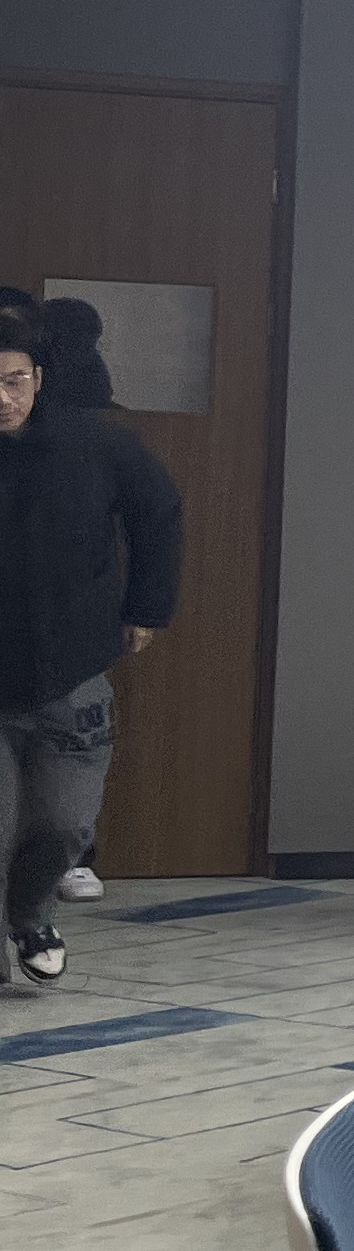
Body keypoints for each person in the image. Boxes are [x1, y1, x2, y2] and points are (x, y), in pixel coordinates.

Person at [0, 310, 180, 987]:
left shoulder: (95, 444)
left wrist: (147, 609)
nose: (3, 398)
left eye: (14, 381)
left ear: (39, 379)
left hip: (70, 667)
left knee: (62, 824)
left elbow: (158, 512)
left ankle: (29, 915)